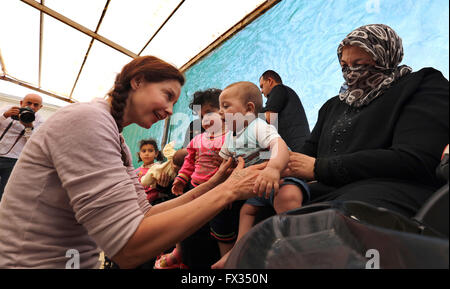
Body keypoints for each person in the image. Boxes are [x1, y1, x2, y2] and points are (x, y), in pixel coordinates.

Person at [0, 55, 267, 269]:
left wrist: (217, 182)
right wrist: (229, 190)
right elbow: (127, 248)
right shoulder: (87, 119)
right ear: (137, 81)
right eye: (167, 95)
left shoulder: (115, 138)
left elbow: (144, 214)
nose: (170, 111)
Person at [283, 24, 449, 219]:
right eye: (344, 66)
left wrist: (320, 168)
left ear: (384, 57)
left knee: (337, 218)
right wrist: (274, 171)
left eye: (360, 64)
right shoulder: (332, 107)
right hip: (331, 195)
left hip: (393, 194)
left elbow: (415, 159)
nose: (351, 72)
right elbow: (303, 157)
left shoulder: (421, 85)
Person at [212, 81, 310, 269]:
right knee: (246, 211)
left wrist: (273, 169)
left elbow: (278, 145)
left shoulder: (257, 126)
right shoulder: (230, 136)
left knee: (287, 196)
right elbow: (225, 164)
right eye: (219, 107)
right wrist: (225, 187)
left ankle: (294, 243)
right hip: (258, 188)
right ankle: (238, 249)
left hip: (281, 178)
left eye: (225, 106)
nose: (220, 112)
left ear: (248, 109)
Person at [0, 93, 44, 200]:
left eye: (36, 105)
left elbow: (34, 143)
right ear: (21, 103)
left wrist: (28, 127)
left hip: (14, 160)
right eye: (29, 103)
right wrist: (5, 115)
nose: (32, 107)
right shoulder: (7, 109)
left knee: (4, 190)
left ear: (40, 107)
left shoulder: (40, 121)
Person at [259, 70, 310, 152]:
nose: (261, 91)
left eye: (262, 86)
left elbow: (269, 119)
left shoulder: (278, 89)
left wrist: (253, 111)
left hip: (296, 150)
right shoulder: (286, 92)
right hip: (301, 148)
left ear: (270, 81)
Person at [134, 138, 164, 203]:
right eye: (144, 151)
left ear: (156, 153)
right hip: (138, 201)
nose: (147, 153)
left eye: (150, 151)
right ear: (140, 154)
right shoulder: (136, 171)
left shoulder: (159, 168)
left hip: (154, 201)